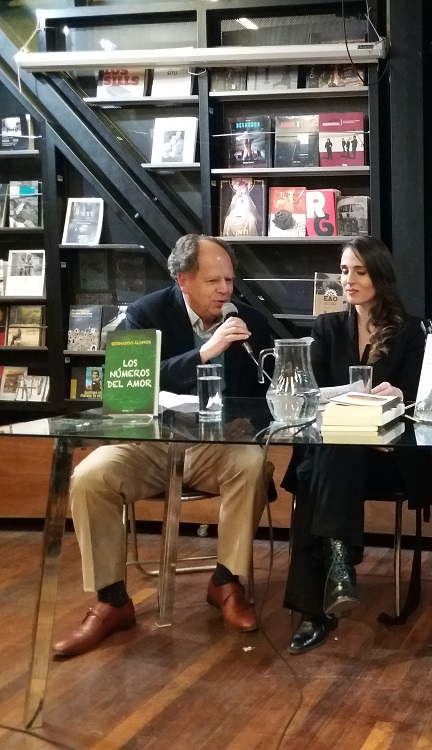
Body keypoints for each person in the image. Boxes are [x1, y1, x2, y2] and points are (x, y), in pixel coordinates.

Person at [53, 234, 274, 658]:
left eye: (229, 280)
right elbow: (138, 381)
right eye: (214, 281)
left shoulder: (250, 321)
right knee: (89, 476)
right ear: (183, 280)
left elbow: (264, 391)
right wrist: (207, 352)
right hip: (154, 442)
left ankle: (226, 582)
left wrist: (252, 414)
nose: (226, 290)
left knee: (252, 465)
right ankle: (112, 600)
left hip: (218, 446)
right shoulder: (144, 313)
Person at [281, 237, 432, 654]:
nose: (347, 280)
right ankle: (338, 569)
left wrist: (394, 400)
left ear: (379, 275)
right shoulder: (327, 327)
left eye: (358, 271)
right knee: (335, 446)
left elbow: (423, 400)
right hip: (342, 452)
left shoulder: (411, 331)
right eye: (344, 270)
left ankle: (317, 605)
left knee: (316, 472)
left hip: (390, 452)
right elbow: (310, 395)